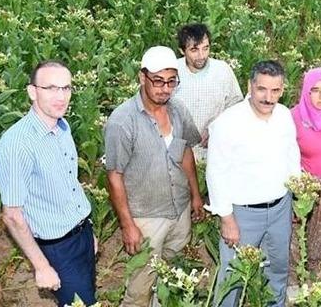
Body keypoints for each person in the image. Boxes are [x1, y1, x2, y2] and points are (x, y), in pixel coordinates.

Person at [104, 46, 204, 307]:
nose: (165, 88)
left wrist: (195, 195)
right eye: (158, 81)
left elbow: (185, 153)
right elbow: (114, 176)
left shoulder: (178, 110)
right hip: (146, 217)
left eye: (171, 82)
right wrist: (128, 226)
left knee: (172, 273)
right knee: (140, 285)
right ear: (142, 77)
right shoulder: (122, 121)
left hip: (179, 209)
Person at [0, 60, 96, 306]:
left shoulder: (62, 126)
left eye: (66, 88)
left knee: (88, 297)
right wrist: (41, 266)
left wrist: (86, 230)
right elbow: (12, 216)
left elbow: (70, 183)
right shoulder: (17, 144)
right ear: (32, 91)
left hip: (81, 235)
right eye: (50, 88)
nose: (61, 96)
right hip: (57, 249)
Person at [206, 60, 300, 307]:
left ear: (282, 90)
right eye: (262, 89)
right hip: (243, 215)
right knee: (233, 276)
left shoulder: (283, 116)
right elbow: (216, 173)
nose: (268, 98)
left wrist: (298, 196)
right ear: (250, 86)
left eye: (275, 90)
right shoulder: (228, 122)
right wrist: (227, 220)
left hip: (281, 208)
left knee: (278, 270)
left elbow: (292, 155)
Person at [289, 67, 321, 274]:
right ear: (306, 92)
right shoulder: (294, 116)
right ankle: (294, 273)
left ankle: (314, 265)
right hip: (302, 182)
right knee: (296, 228)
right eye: (314, 90)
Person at [173, 23, 243, 160]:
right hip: (178, 153)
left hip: (215, 151)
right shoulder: (172, 71)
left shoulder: (222, 70)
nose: (201, 55)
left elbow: (236, 107)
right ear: (182, 50)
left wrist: (216, 129)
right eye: (194, 50)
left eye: (205, 48)